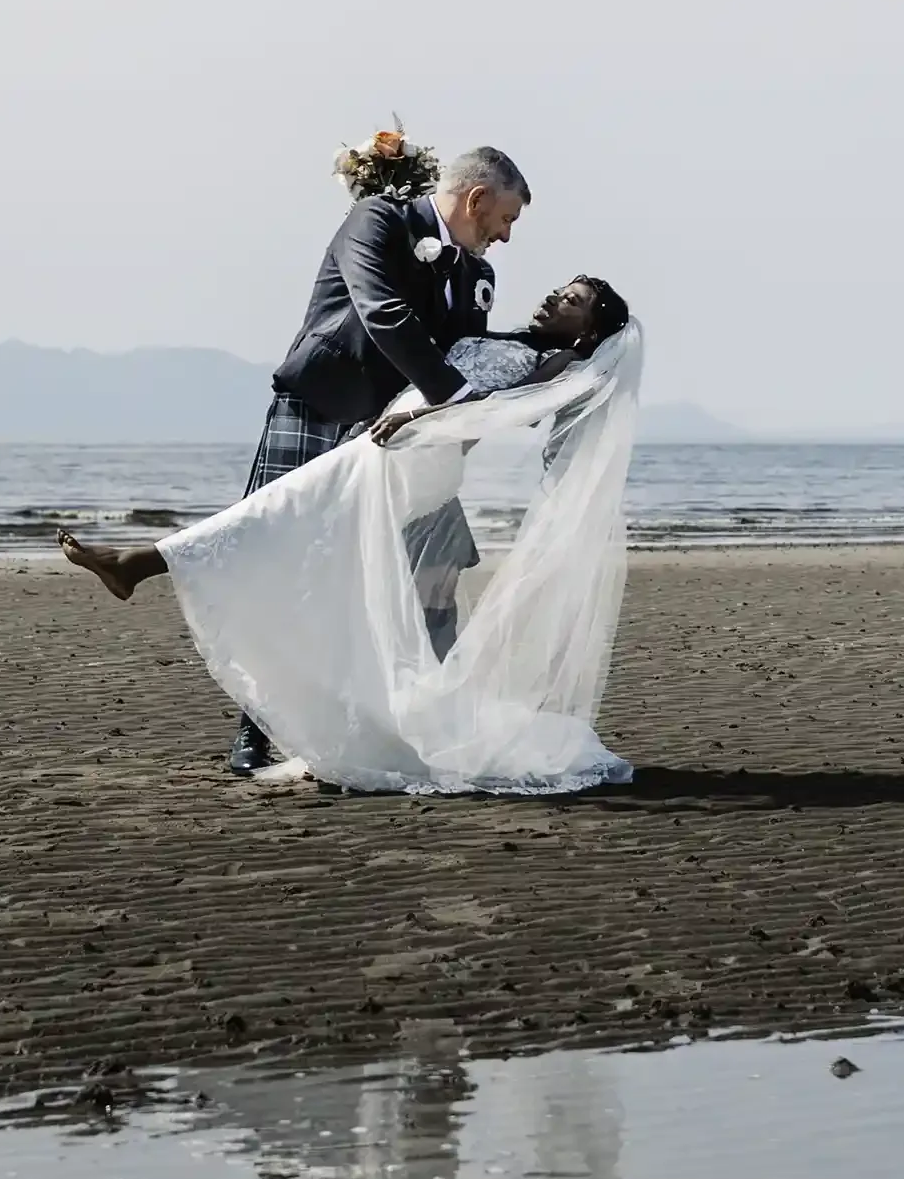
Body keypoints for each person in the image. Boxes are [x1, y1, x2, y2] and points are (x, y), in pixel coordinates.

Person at [58, 279, 641, 798]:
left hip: (420, 453)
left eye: (572, 300)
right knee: (299, 526)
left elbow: (499, 410)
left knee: (287, 509)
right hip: (395, 442)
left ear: (590, 331)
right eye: (560, 290)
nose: (552, 298)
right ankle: (154, 568)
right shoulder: (510, 336)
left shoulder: (562, 362)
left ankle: (141, 562)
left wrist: (416, 421)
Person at [228, 133, 532, 778]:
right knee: (286, 562)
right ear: (477, 199)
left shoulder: (478, 275)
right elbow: (383, 314)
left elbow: (466, 353)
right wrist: (456, 399)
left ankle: (440, 724)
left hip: (406, 435)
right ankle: (255, 730)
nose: (505, 237)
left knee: (435, 570)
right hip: (319, 408)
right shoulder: (378, 220)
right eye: (505, 219)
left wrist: (547, 358)